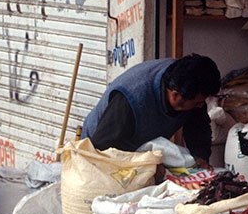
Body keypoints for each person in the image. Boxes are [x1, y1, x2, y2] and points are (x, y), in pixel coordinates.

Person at [82, 54, 220, 167]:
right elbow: (100, 151)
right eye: (197, 103)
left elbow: (198, 127)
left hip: (138, 148)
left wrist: (200, 156)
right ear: (175, 96)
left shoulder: (189, 84)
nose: (200, 106)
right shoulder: (131, 100)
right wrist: (142, 166)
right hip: (100, 147)